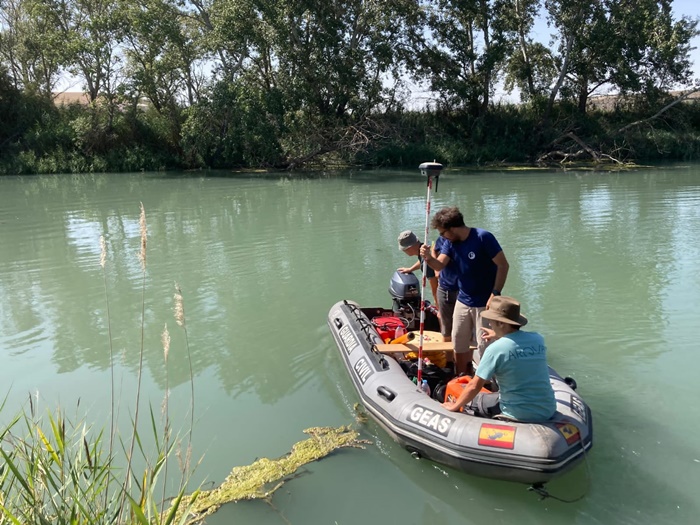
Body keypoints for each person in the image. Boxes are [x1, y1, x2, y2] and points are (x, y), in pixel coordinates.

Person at [420, 207, 509, 376]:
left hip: (485, 303)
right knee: (458, 341)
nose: (442, 237)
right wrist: (428, 258)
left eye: (442, 232)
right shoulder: (450, 243)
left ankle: (488, 383)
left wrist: (495, 293)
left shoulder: (483, 237)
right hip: (463, 300)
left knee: (485, 345)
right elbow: (439, 265)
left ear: (452, 229)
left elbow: (503, 265)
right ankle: (461, 377)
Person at [441, 296, 557, 422]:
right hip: (547, 410)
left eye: (491, 320)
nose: (489, 324)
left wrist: (455, 406)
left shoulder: (495, 349)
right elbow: (516, 346)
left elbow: (474, 386)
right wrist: (498, 335)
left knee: (465, 394)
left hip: (517, 412)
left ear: (501, 323)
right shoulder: (538, 339)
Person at [397, 230, 438, 305]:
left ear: (409, 248)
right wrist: (410, 269)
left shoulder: (426, 263)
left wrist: (437, 304)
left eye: (404, 249)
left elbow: (435, 285)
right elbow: (421, 261)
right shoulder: (426, 246)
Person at [433, 235, 459, 343]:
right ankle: (448, 359)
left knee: (461, 328)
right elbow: (434, 250)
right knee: (446, 329)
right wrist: (436, 270)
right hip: (447, 287)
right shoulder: (443, 240)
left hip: (464, 289)